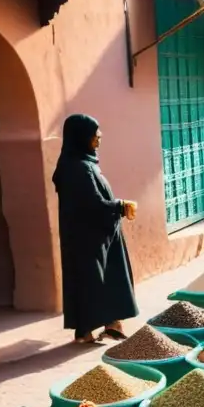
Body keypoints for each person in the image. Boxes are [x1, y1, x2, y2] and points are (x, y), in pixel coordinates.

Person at [52, 114, 138, 345]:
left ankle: (112, 324)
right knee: (89, 281)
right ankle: (84, 330)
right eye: (94, 132)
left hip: (100, 234)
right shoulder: (76, 167)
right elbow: (91, 203)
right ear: (81, 135)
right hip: (86, 237)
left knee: (108, 277)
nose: (99, 136)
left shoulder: (85, 162)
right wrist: (120, 206)